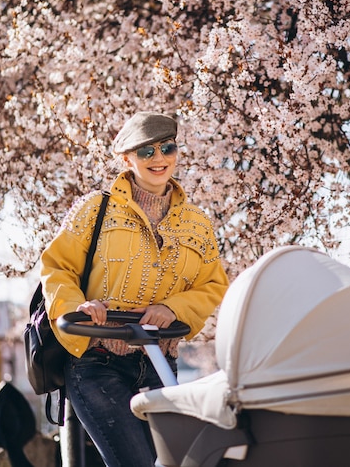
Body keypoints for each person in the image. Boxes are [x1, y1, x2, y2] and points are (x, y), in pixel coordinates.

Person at [40, 111, 229, 467]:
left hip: (161, 362)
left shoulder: (197, 223)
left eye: (167, 148)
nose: (159, 159)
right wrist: (80, 306)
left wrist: (174, 308)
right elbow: (56, 266)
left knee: (184, 460)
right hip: (98, 361)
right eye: (146, 152)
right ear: (127, 159)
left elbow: (212, 283)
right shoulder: (96, 210)